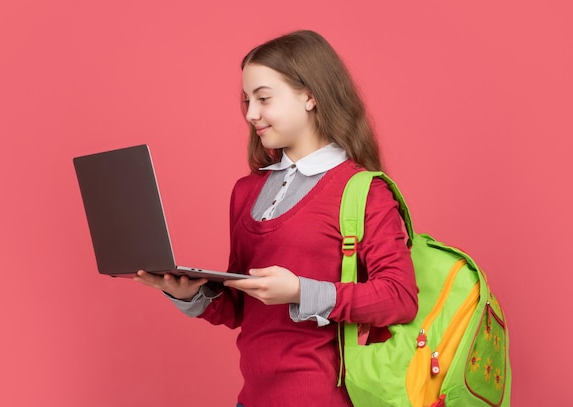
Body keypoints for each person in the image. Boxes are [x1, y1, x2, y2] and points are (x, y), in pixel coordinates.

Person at [134, 30, 418, 407]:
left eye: (264, 98)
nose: (251, 114)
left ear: (310, 96)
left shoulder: (364, 191)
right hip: (251, 398)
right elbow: (240, 308)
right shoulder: (246, 191)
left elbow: (400, 298)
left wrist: (301, 290)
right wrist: (190, 294)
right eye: (247, 100)